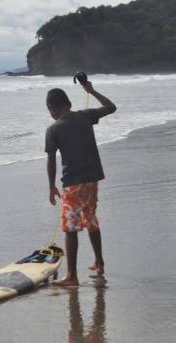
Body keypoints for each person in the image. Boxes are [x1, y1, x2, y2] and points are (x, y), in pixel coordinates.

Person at [45, 81, 116, 286]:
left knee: (70, 228)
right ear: (68, 102)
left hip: (72, 183)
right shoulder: (85, 116)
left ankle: (72, 276)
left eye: (49, 110)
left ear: (52, 108)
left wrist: (51, 186)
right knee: (91, 218)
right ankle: (100, 263)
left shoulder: (53, 129)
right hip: (93, 179)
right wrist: (91, 90)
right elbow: (111, 107)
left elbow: (51, 160)